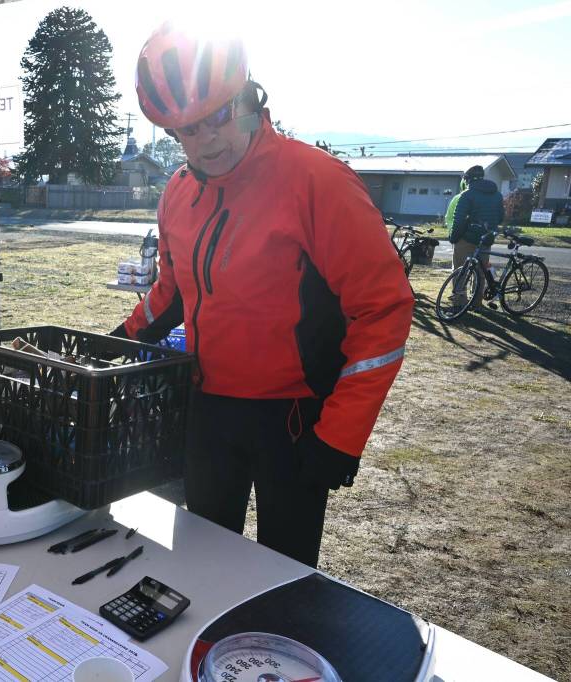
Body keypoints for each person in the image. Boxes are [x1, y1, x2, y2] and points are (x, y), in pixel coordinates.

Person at [113, 24, 414, 568]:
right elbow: (172, 290)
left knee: (285, 576)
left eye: (219, 117)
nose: (206, 142)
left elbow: (384, 309)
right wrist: (119, 339)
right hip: (208, 410)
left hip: (294, 419)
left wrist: (342, 433)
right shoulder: (178, 192)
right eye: (186, 130)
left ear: (249, 98)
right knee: (202, 564)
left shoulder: (316, 180)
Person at [447, 164, 505, 303]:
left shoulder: (467, 194)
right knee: (481, 271)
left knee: (460, 270)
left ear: (468, 179)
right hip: (486, 238)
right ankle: (476, 301)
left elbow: (458, 219)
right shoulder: (497, 195)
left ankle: (460, 300)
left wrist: (454, 237)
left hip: (467, 238)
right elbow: (500, 217)